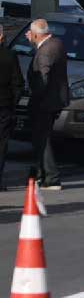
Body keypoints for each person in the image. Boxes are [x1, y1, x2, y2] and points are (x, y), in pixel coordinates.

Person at [26, 19, 68, 190]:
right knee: (42, 137)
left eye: (31, 34)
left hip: (44, 102)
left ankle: (51, 178)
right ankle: (41, 175)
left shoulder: (45, 51)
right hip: (54, 100)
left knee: (42, 138)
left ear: (36, 34)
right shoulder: (56, 43)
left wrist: (34, 97)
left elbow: (43, 78)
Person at [0, 26, 23, 191]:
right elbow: (17, 83)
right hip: (3, 106)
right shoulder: (9, 56)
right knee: (1, 144)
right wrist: (13, 103)